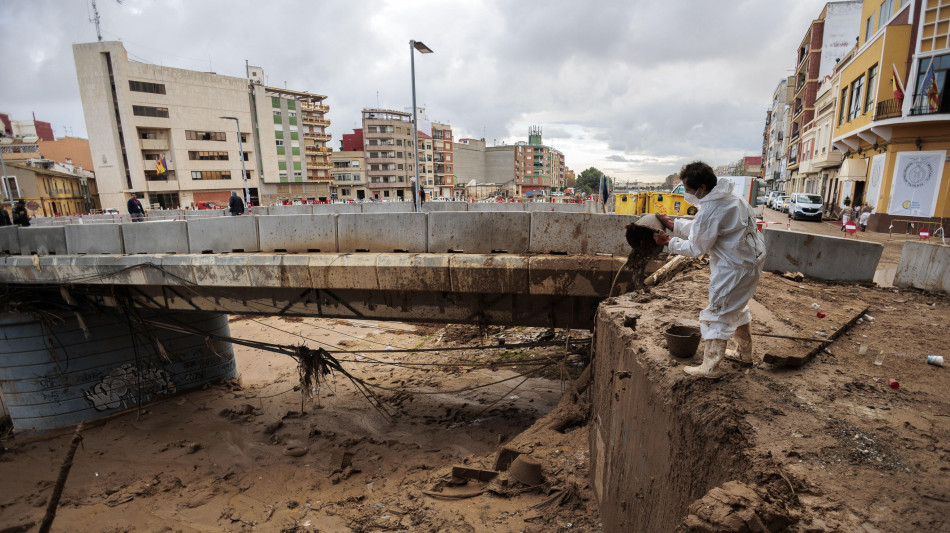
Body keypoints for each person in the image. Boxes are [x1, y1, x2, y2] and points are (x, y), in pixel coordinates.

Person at [653, 161, 767, 378]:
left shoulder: (714, 208)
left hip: (734, 267)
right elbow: (704, 229)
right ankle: (745, 355)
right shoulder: (732, 198)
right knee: (737, 307)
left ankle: (711, 367)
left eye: (688, 190)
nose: (687, 194)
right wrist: (674, 224)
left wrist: (668, 242)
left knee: (718, 312)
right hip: (750, 260)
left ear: (702, 188)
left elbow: (697, 246)